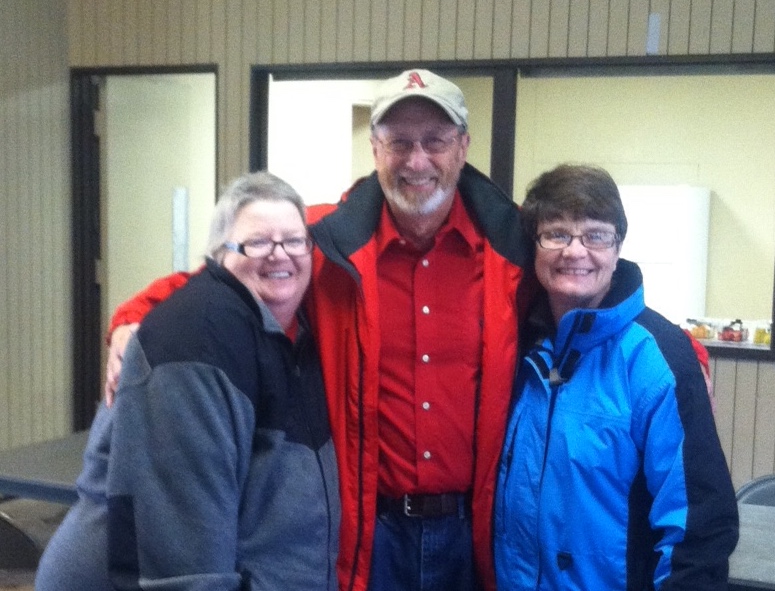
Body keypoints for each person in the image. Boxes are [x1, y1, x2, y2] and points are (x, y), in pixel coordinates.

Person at [103, 69, 533, 591]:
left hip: (474, 531)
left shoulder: (510, 254)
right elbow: (224, 274)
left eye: (435, 141)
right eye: (398, 142)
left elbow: (583, 287)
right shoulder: (325, 243)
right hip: (369, 532)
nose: (417, 161)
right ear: (375, 149)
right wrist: (132, 317)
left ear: (462, 147)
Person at [36, 172, 340, 591]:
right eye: (256, 242)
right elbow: (183, 555)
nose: (279, 254)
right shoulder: (197, 344)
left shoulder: (281, 332)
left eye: (293, 240)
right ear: (218, 257)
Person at [493, 163, 739, 590]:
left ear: (618, 245)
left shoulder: (657, 359)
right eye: (556, 234)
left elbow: (697, 530)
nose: (575, 251)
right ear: (533, 246)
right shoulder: (516, 350)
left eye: (595, 235)